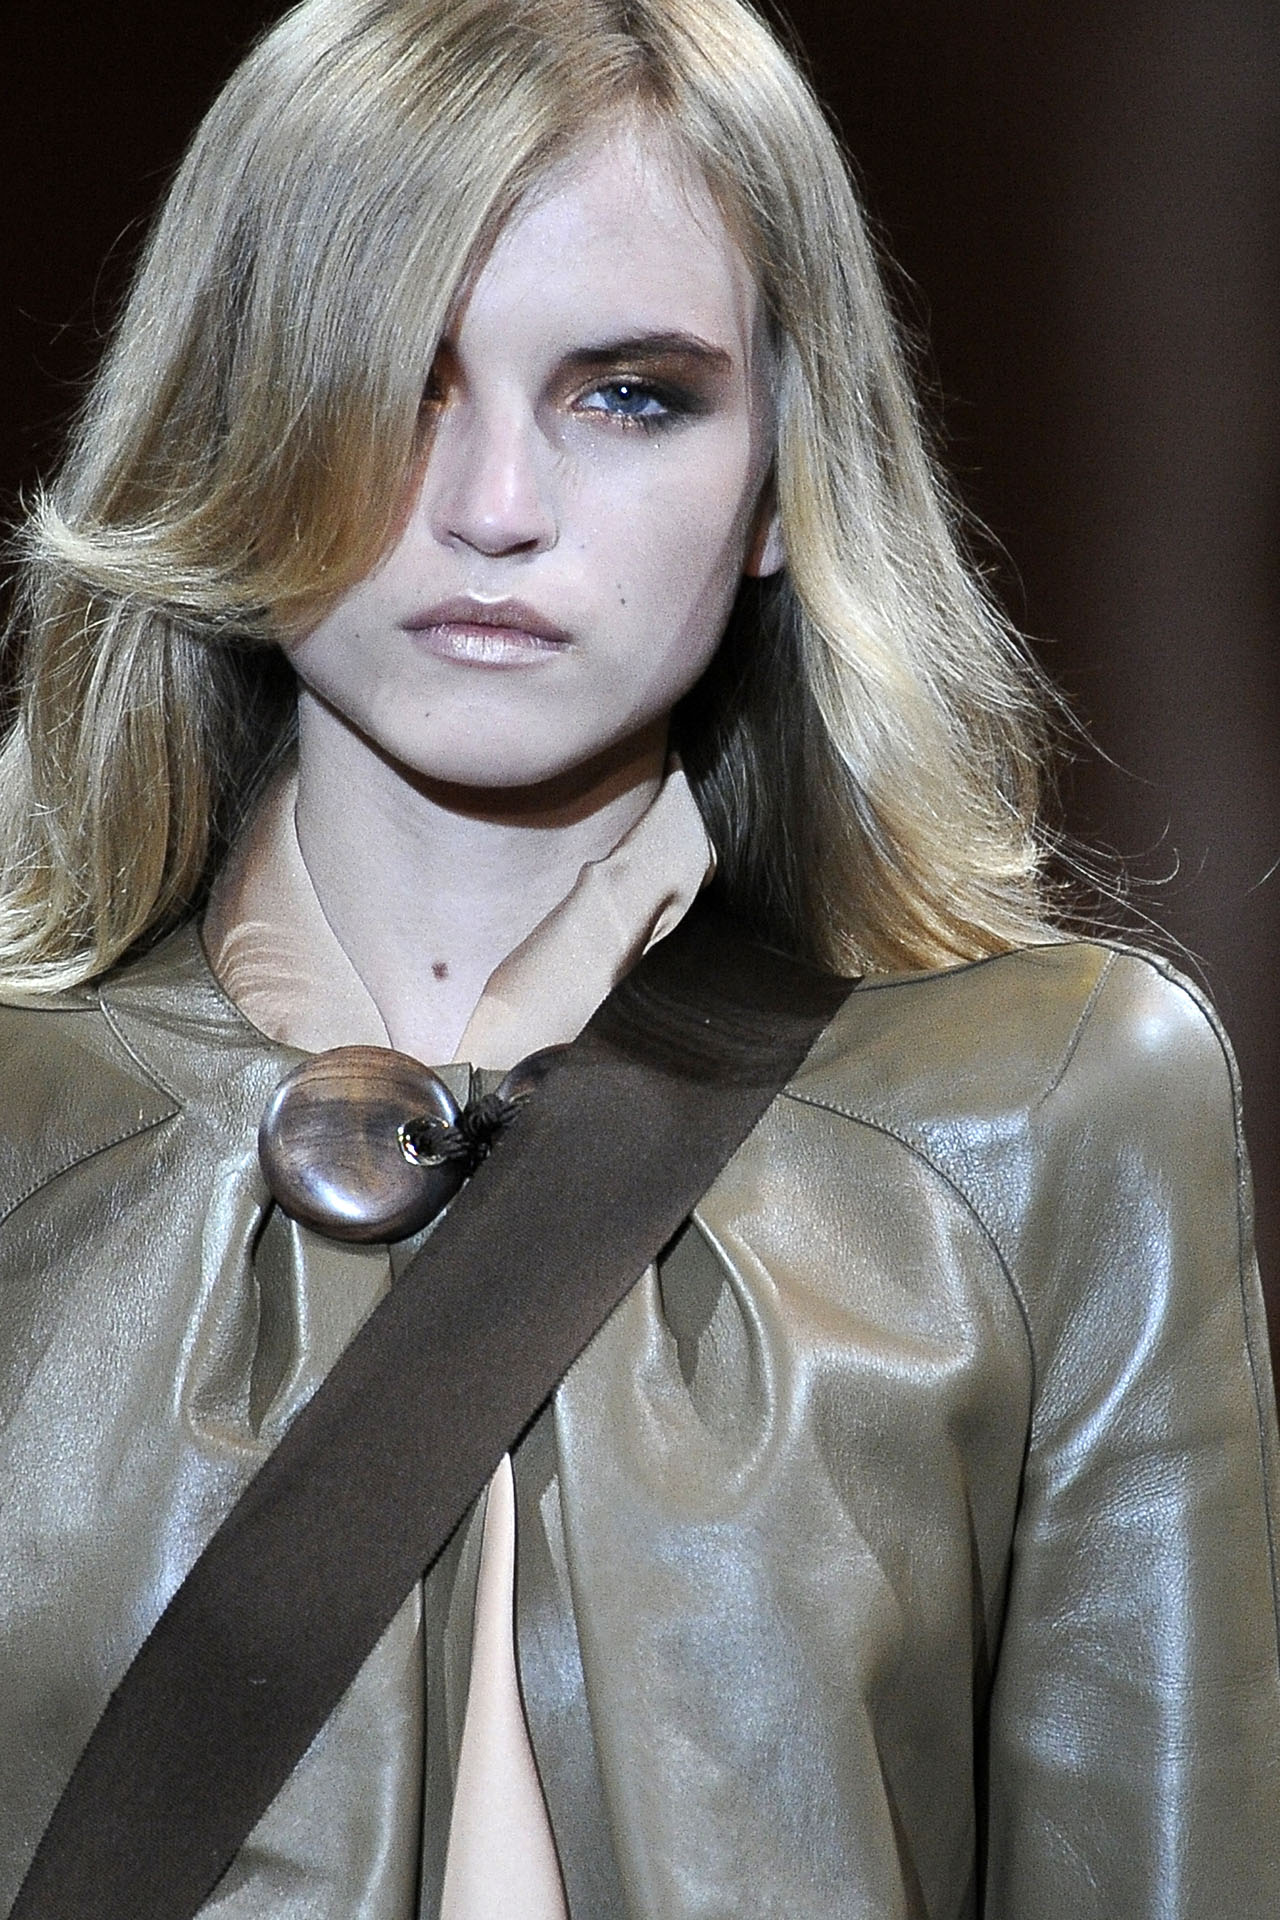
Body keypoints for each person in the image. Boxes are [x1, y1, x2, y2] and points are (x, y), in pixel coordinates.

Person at [1, 0, 1277, 1914]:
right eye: (397, 381)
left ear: (780, 479)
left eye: (628, 395)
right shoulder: (26, 1122)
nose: (494, 509)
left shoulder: (1049, 1117)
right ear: (233, 428)